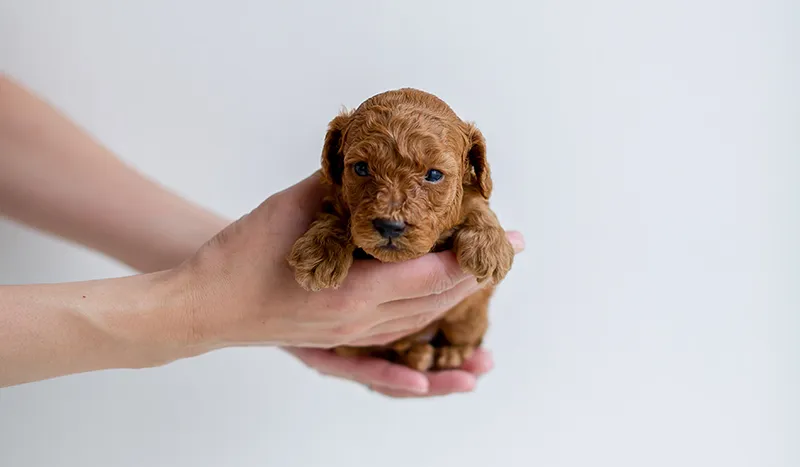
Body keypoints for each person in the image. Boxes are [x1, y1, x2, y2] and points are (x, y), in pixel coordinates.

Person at [0, 75, 524, 396]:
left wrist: (224, 271)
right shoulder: (337, 199)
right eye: (362, 171)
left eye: (433, 177)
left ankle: (425, 347)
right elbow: (330, 216)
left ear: (472, 169)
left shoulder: (469, 195)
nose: (389, 212)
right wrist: (197, 308)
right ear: (334, 163)